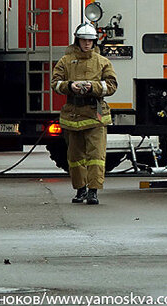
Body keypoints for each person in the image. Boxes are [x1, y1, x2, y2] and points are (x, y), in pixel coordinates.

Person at [51, 23, 117, 205]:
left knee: (96, 155)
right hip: (73, 114)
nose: (87, 44)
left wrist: (93, 87)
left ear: (94, 41)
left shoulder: (102, 62)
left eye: (90, 40)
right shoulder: (65, 61)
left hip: (95, 115)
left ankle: (93, 191)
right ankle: (80, 190)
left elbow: (111, 85)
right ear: (77, 40)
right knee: (75, 157)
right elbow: (55, 83)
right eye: (83, 40)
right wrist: (70, 86)